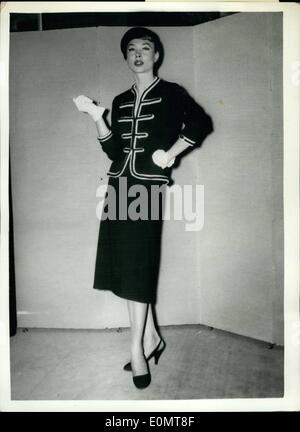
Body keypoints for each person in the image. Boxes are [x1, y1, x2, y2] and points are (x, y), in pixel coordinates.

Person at [73, 27, 213, 390]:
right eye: (131, 49)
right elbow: (114, 151)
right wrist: (96, 117)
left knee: (138, 263)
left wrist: (171, 153)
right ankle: (152, 339)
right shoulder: (120, 100)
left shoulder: (172, 94)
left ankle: (137, 347)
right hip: (120, 184)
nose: (138, 54)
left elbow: (201, 123)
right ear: (126, 57)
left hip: (147, 187)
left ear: (156, 56)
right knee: (125, 265)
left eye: (145, 48)